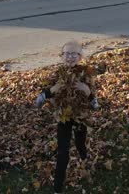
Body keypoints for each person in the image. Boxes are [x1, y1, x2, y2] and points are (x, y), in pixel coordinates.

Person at [35, 41, 100, 193]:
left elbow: (95, 105)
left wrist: (87, 91)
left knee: (80, 143)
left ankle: (84, 158)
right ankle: (58, 188)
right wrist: (52, 90)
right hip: (63, 119)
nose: (70, 57)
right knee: (62, 153)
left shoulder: (86, 74)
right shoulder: (57, 74)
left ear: (80, 56)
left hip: (80, 118)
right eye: (67, 53)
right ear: (61, 56)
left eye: (74, 54)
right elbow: (40, 99)